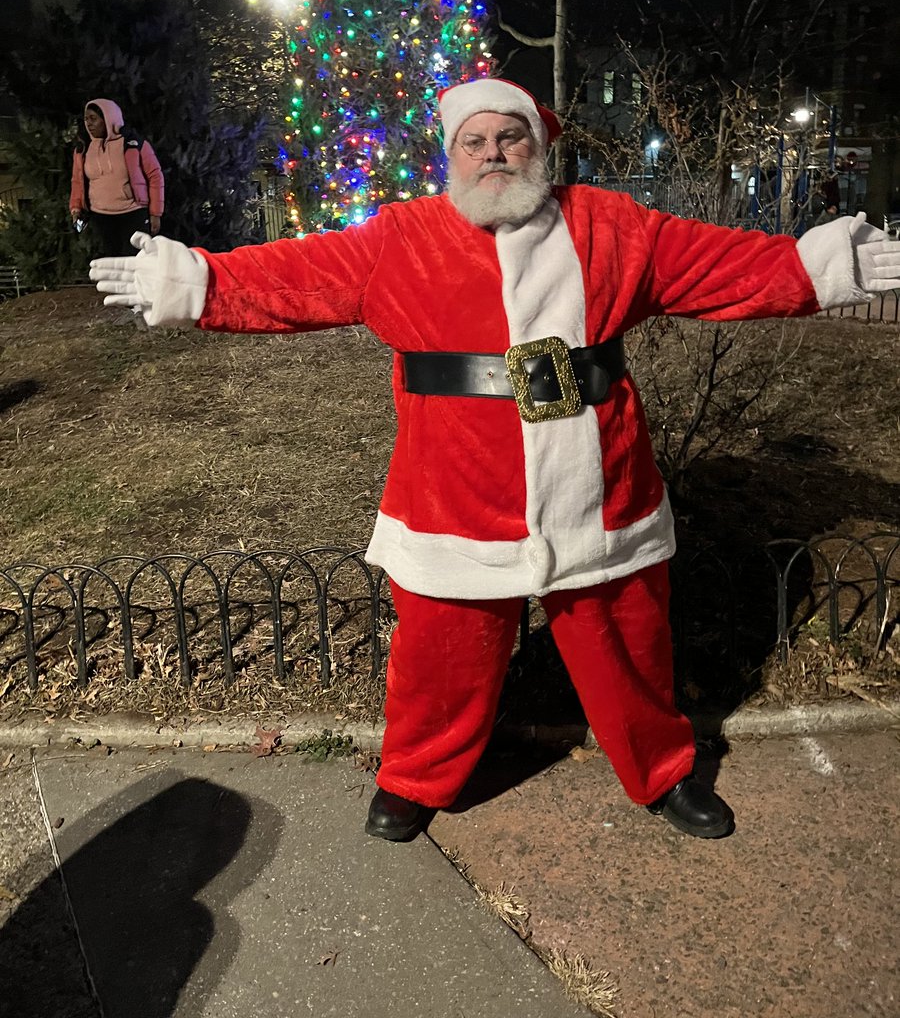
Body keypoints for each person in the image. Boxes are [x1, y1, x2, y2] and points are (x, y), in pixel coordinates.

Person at [88, 78, 900, 842]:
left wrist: (822, 267)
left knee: (631, 644)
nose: (494, 153)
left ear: (538, 148)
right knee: (440, 655)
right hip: (454, 498)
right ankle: (415, 778)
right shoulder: (402, 237)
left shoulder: (609, 225)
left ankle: (662, 771)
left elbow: (722, 266)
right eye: (475, 141)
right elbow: (295, 276)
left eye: (510, 137)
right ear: (452, 158)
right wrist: (193, 280)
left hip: (599, 488)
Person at [70, 99, 164, 258]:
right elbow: (77, 181)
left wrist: (155, 213)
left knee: (136, 264)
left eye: (94, 119)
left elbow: (155, 176)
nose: (89, 124)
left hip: (133, 214)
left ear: (108, 118)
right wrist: (75, 208)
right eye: (86, 119)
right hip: (100, 217)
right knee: (110, 267)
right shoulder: (83, 149)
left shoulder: (133, 144)